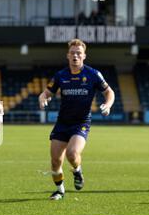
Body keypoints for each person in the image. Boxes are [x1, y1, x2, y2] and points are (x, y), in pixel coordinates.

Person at [38, 39, 115, 200]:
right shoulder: (61, 75)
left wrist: (107, 105)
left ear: (84, 56)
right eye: (72, 53)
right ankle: (60, 190)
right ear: (68, 55)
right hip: (62, 123)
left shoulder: (93, 74)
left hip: (81, 123)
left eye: (78, 53)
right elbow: (46, 92)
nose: (75, 55)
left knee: (72, 154)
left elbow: (109, 92)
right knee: (55, 162)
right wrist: (43, 98)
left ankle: (77, 170)